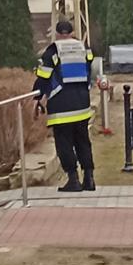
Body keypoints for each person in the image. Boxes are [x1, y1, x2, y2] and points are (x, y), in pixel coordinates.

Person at [33, 20, 96, 192]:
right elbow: (90, 68)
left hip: (61, 105)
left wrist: (38, 96)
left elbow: (44, 76)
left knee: (64, 143)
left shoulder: (53, 50)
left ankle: (73, 180)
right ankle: (89, 179)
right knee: (83, 141)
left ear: (57, 33)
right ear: (72, 31)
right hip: (82, 103)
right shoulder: (84, 47)